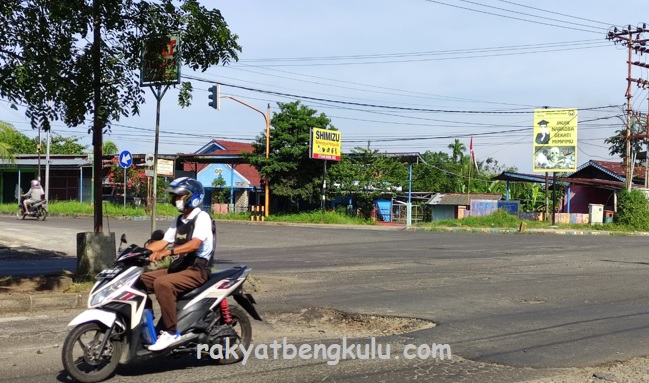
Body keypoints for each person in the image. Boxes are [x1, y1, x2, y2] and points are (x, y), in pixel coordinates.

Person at [140, 177, 214, 351]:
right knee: (140, 280)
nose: (176, 200)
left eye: (180, 196)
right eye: (175, 197)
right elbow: (164, 241)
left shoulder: (202, 217)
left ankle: (171, 332)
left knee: (162, 283)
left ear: (192, 197)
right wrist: (138, 252)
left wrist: (168, 252)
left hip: (197, 270)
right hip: (179, 268)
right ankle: (148, 327)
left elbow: (195, 244)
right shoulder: (180, 220)